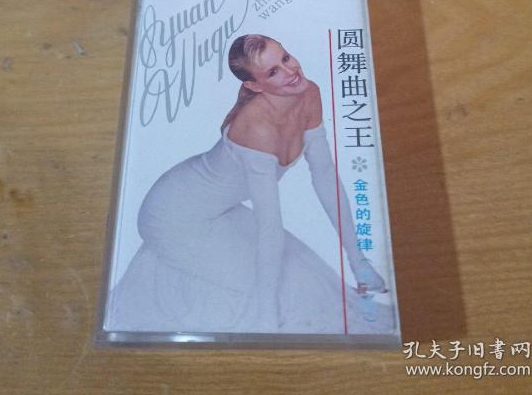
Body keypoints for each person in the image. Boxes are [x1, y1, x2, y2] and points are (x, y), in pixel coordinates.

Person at [107, 34, 392, 334]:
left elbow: (325, 176)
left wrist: (359, 263)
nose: (290, 71)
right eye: (273, 72)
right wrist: (266, 316)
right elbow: (269, 223)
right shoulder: (256, 127)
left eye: (286, 57)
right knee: (286, 295)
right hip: (171, 215)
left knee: (307, 280)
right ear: (254, 86)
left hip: (221, 210)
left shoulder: (309, 93)